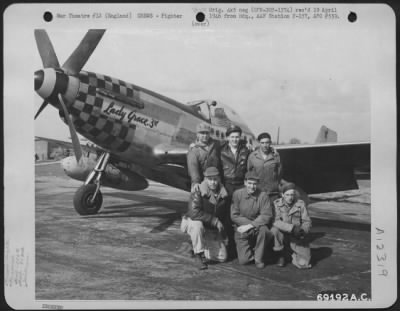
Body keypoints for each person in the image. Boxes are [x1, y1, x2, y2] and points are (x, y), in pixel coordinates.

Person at [180, 167, 229, 270]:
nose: (213, 182)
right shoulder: (198, 190)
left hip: (209, 228)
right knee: (197, 224)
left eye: (215, 179)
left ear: (219, 179)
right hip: (192, 222)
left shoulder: (224, 193)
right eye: (210, 179)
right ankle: (198, 255)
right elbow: (194, 213)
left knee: (222, 257)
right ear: (205, 179)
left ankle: (197, 245)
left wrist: (224, 235)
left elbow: (225, 215)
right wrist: (214, 221)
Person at [231, 171, 274, 269]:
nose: (252, 186)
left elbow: (266, 215)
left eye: (255, 184)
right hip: (241, 228)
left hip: (257, 227)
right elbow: (234, 215)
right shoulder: (237, 194)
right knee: (244, 261)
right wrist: (248, 225)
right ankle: (252, 250)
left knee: (264, 231)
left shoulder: (263, 196)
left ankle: (259, 258)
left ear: (258, 184)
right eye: (250, 183)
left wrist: (252, 225)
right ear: (245, 182)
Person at [220, 124, 251, 258]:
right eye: (232, 137)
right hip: (227, 185)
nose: (234, 139)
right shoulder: (220, 151)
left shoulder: (247, 151)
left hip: (240, 186)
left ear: (240, 138)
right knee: (226, 216)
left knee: (240, 215)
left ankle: (241, 244)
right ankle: (229, 244)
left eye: (237, 137)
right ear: (227, 138)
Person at [271, 182, 312, 269]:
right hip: (283, 234)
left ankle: (289, 252)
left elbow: (307, 221)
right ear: (282, 194)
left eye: (292, 195)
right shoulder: (277, 204)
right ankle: (280, 254)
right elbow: (276, 221)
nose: (290, 197)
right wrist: (292, 228)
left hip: (296, 235)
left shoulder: (300, 204)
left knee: (304, 264)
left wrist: (303, 231)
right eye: (287, 195)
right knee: (275, 230)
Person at [187, 122, 222, 193]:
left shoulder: (216, 144)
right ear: (197, 134)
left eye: (207, 133)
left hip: (214, 181)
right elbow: (193, 167)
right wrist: (196, 182)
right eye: (202, 133)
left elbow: (229, 144)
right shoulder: (194, 149)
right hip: (201, 181)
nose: (205, 135)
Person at [247, 132, 282, 202]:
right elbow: (249, 173)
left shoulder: (276, 156)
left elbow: (279, 173)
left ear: (270, 143)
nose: (265, 145)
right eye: (262, 143)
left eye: (267, 142)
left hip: (273, 193)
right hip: (258, 193)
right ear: (259, 143)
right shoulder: (252, 156)